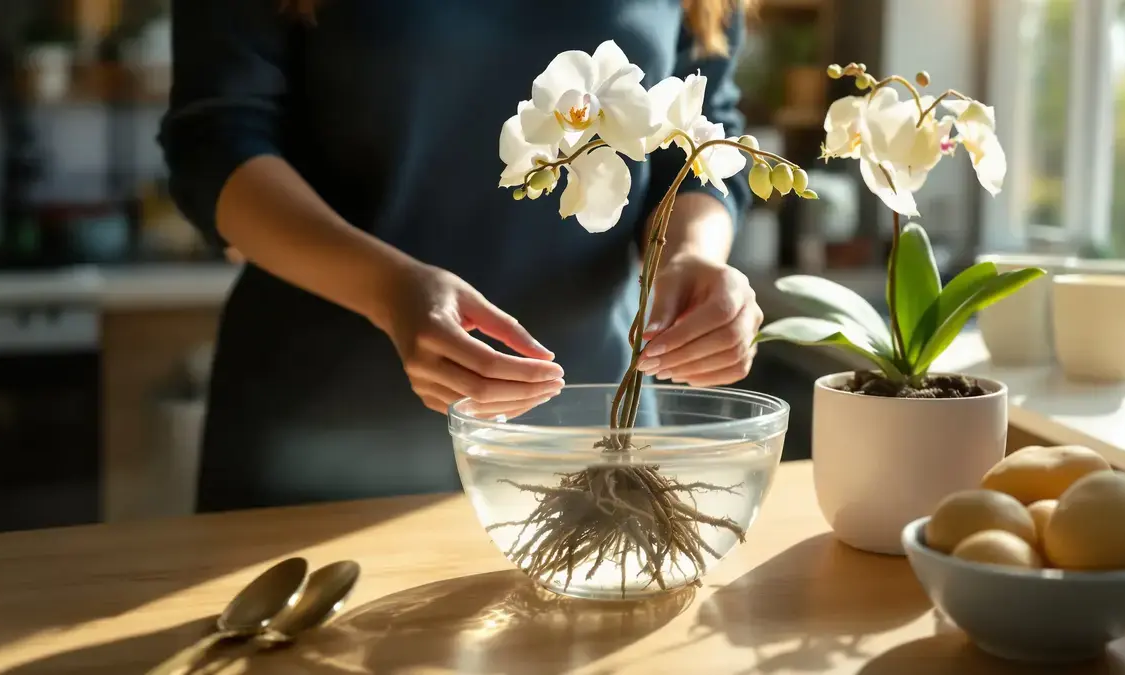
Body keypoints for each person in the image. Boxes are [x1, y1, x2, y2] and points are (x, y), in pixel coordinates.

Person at [159, 0, 765, 513]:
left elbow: (704, 130)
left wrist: (694, 254)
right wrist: (388, 289)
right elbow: (216, 141)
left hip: (588, 449)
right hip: (321, 452)